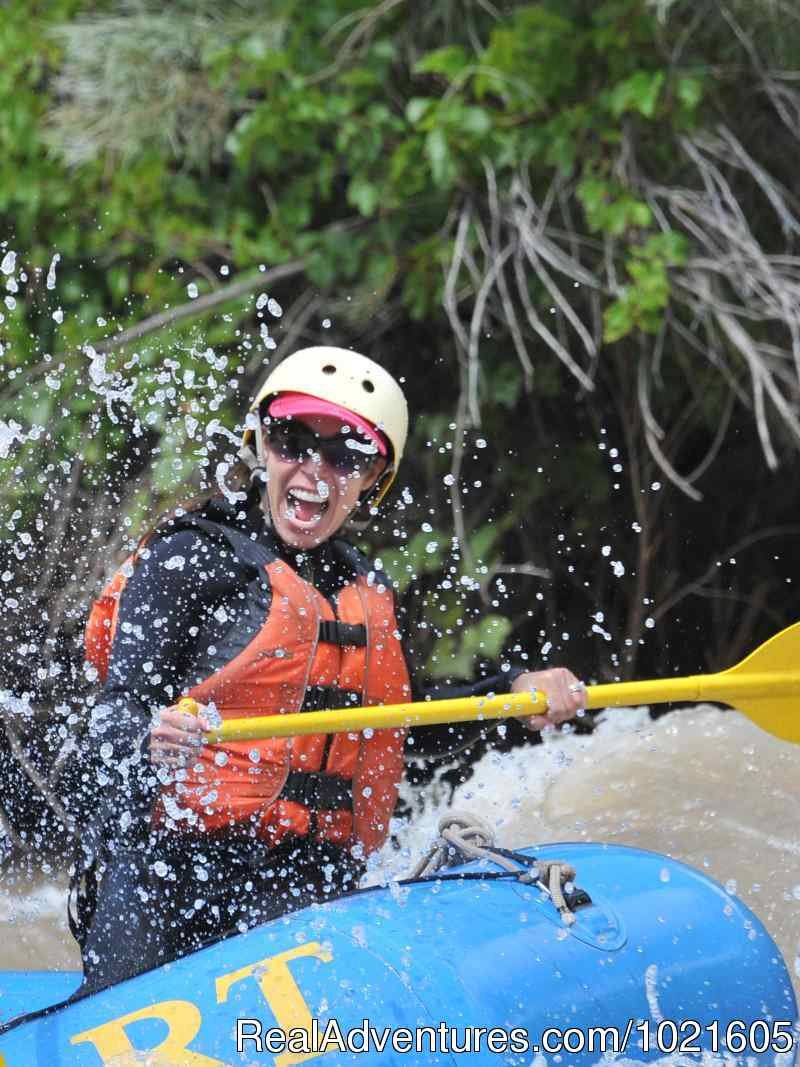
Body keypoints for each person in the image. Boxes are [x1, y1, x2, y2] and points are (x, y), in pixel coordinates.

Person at [73, 346, 585, 991]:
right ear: (260, 443)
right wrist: (147, 739)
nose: (315, 470)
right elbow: (113, 715)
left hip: (303, 873)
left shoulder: (364, 586)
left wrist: (513, 699)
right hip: (171, 874)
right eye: (293, 441)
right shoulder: (188, 558)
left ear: (375, 477)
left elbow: (395, 726)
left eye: (345, 455)